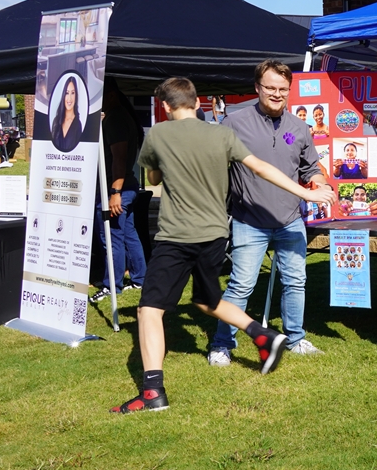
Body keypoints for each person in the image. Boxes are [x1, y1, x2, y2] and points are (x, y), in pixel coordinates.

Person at [112, 76, 335, 413]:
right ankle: (263, 335)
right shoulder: (223, 134)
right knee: (207, 299)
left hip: (176, 235)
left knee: (149, 309)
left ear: (166, 106)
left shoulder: (158, 134)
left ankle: (152, 392)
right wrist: (307, 194)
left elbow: (153, 177)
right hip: (216, 234)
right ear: (197, 102)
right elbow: (261, 168)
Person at [209, 60, 332, 367]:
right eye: (270, 88)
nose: (277, 94)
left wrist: (320, 183)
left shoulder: (300, 127)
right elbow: (213, 164)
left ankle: (295, 338)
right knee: (241, 285)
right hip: (249, 220)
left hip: (290, 220)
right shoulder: (234, 123)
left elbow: (311, 168)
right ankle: (222, 344)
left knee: (296, 282)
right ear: (257, 87)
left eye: (283, 89)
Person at [90, 78, 147, 303]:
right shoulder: (119, 116)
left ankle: (112, 286)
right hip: (126, 186)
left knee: (111, 237)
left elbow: (119, 159)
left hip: (116, 189)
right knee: (128, 233)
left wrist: (115, 192)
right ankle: (139, 278)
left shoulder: (115, 119)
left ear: (112, 95)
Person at [50, 75, 84, 152]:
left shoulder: (78, 124)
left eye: (72, 93)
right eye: (67, 93)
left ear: (76, 95)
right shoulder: (56, 121)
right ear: (63, 95)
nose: (69, 98)